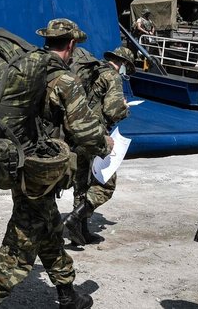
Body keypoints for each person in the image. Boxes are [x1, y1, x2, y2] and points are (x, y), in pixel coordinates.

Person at [0, 18, 111, 309]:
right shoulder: (63, 79)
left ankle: (67, 294)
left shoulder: (29, 70)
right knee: (21, 239)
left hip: (16, 160)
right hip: (39, 169)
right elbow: (85, 131)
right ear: (72, 45)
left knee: (48, 226)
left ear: (47, 41)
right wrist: (105, 144)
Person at [64, 46, 134, 247]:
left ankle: (81, 232)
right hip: (96, 134)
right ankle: (75, 218)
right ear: (123, 64)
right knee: (106, 183)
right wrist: (124, 108)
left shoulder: (92, 72)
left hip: (77, 132)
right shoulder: (113, 77)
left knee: (81, 182)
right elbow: (112, 111)